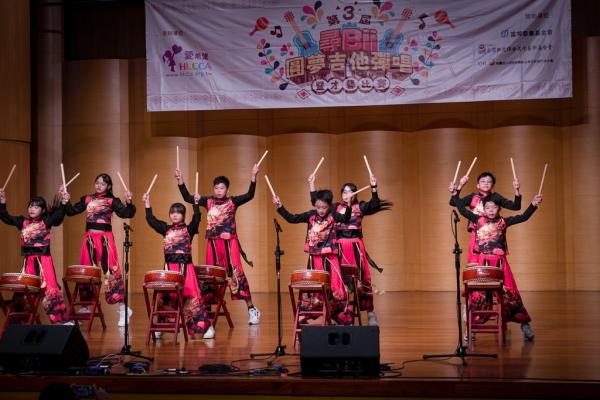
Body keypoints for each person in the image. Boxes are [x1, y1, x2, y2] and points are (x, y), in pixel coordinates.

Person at [452, 187, 543, 341]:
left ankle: (524, 324)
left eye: (494, 207)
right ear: (484, 209)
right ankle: (471, 328)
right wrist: (455, 194)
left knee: (511, 292)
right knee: (479, 295)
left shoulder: (503, 222)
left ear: (499, 208)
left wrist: (533, 204)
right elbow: (462, 210)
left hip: (501, 264)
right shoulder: (478, 220)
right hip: (483, 264)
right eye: (488, 208)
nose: (491, 210)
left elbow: (523, 217)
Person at [175, 165, 261, 325]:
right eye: (216, 188)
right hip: (213, 244)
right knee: (210, 276)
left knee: (236, 274)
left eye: (222, 188)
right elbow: (187, 197)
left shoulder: (232, 202)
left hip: (230, 243)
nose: (219, 190)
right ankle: (206, 312)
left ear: (227, 189)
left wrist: (253, 177)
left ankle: (252, 309)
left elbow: (250, 195)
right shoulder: (208, 201)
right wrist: (180, 181)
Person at [309, 174, 391, 326]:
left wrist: (374, 187)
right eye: (344, 192)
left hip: (355, 248)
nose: (347, 194)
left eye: (350, 191)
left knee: (362, 279)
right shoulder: (335, 208)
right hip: (337, 248)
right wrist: (312, 184)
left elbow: (374, 204)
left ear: (355, 194)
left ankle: (370, 312)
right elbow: (317, 203)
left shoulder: (360, 207)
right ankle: (338, 314)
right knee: (337, 282)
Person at [65, 173, 135, 326]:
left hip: (105, 239)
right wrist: (66, 201)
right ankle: (85, 306)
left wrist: (129, 201)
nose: (99, 185)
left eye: (102, 184)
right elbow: (71, 211)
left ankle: (123, 309)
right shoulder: (87, 199)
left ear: (108, 186)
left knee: (112, 271)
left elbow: (127, 213)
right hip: (89, 239)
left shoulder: (112, 201)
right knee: (87, 272)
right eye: (97, 182)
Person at [274, 189, 353, 324]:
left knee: (336, 288)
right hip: (315, 258)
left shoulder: (333, 215)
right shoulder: (311, 216)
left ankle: (341, 318)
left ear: (329, 205)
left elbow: (345, 218)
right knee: (313, 289)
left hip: (330, 258)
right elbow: (292, 218)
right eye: (318, 207)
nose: (321, 210)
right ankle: (306, 316)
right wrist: (280, 205)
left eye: (324, 207)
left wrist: (349, 204)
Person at [143, 192, 214, 339]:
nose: (175, 215)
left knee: (192, 296)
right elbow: (151, 220)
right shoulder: (166, 229)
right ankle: (162, 326)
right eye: (172, 212)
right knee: (166, 297)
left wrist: (196, 204)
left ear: (183, 215)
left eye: (178, 212)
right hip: (170, 269)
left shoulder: (189, 229)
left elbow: (197, 218)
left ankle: (206, 327)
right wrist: (147, 203)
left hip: (186, 268)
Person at [0, 187, 71, 324]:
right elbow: (5, 217)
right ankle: (21, 320)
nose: (32, 209)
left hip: (44, 260)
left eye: (36, 207)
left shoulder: (47, 221)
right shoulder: (23, 222)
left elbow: (59, 215)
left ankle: (60, 320)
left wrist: (64, 201)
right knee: (26, 290)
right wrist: (2, 202)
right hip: (29, 261)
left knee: (51, 288)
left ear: (43, 210)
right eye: (30, 206)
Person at [449, 172, 522, 263]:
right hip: (476, 234)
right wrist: (460, 185)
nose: (486, 183)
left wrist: (517, 190)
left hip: (493, 236)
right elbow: (453, 202)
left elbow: (516, 206)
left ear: (493, 185)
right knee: (475, 262)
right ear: (478, 185)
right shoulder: (473, 197)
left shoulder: (496, 197)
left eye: (489, 182)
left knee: (495, 263)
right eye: (483, 181)